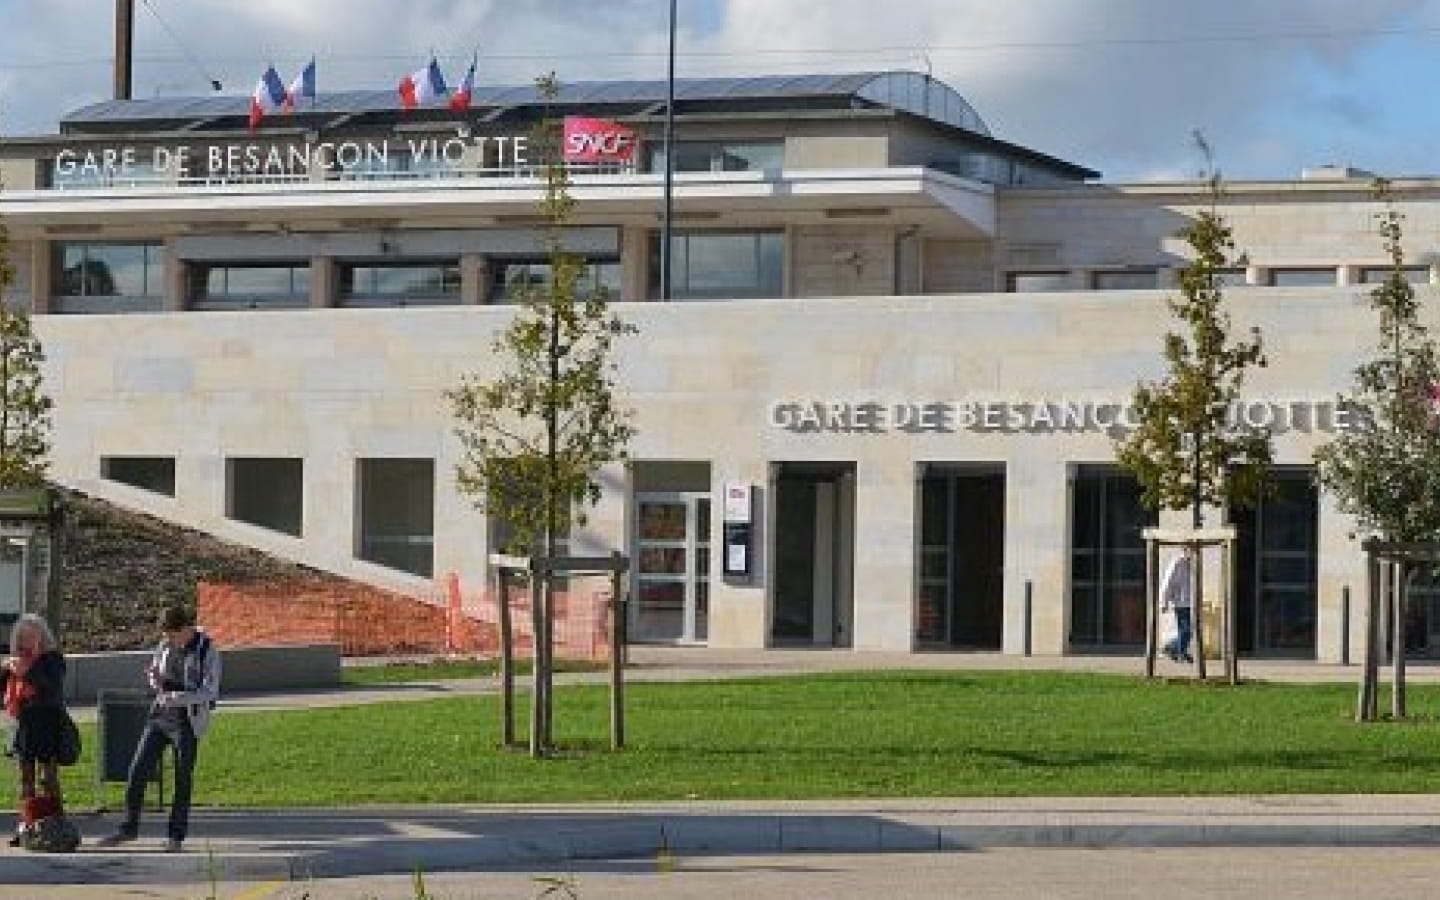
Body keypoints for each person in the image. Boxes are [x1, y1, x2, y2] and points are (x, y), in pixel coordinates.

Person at [96, 604, 220, 853]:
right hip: (160, 717)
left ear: (186, 628)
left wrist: (178, 698)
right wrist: (154, 678)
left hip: (187, 722)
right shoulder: (165, 645)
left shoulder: (206, 649)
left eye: (173, 635)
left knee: (182, 779)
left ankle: (176, 836)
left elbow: (210, 691)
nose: (169, 641)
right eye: (166, 636)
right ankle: (128, 828)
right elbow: (158, 675)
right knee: (137, 770)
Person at [1, 613, 77, 849]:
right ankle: (27, 825)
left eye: (31, 637)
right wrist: (5, 670)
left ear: (42, 638)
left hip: (48, 723)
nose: (26, 643)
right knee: (26, 779)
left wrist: (27, 672)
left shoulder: (52, 660)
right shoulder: (15, 660)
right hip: (24, 726)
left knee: (49, 778)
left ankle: (56, 824)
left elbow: (51, 687)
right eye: (21, 638)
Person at [1160, 545, 1195, 663]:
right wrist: (1164, 602)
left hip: (1190, 601)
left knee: (1187, 631)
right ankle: (1178, 652)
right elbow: (1167, 582)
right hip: (1180, 601)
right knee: (1186, 630)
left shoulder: (1193, 563)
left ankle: (1173, 648)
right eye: (1191, 550)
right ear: (1185, 549)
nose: (1192, 553)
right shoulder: (1177, 563)